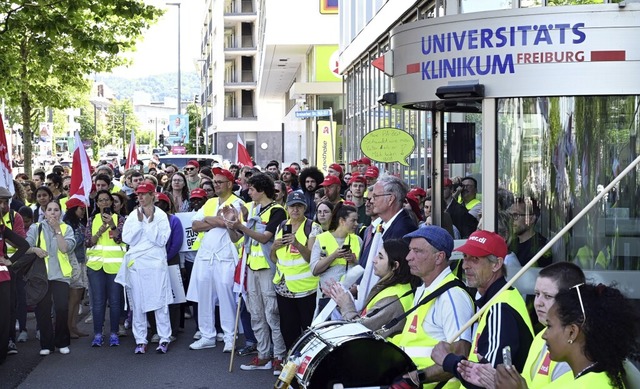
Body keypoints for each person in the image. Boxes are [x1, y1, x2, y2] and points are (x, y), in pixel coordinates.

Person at [457, 262, 586, 389]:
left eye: (547, 296)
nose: (538, 302)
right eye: (536, 294)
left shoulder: (572, 350)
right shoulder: (540, 336)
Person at [432, 230, 534, 389]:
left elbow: (488, 380)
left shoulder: (500, 308)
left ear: (497, 264)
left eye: (475, 259)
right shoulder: (493, 300)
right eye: (465, 257)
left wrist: (447, 360)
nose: (465, 265)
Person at [496, 283, 640, 389]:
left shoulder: (591, 385)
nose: (544, 335)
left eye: (549, 326)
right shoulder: (594, 376)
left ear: (572, 332)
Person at [390, 226, 474, 388]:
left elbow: (460, 357)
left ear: (439, 257)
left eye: (417, 251)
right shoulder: (425, 289)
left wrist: (416, 377)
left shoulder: (452, 297)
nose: (408, 257)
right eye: (409, 250)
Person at [225, 173, 287, 375]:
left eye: (251, 189)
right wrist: (230, 225)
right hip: (251, 267)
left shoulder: (278, 211)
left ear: (261, 190)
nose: (248, 192)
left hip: (268, 268)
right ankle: (263, 355)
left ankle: (279, 356)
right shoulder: (253, 209)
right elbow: (238, 239)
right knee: (256, 313)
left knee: (272, 313)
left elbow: (264, 237)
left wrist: (241, 225)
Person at [188, 168, 245, 353]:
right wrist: (214, 219)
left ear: (229, 183)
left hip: (225, 256)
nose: (216, 184)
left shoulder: (237, 202)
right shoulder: (210, 202)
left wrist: (210, 220)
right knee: (204, 296)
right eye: (214, 182)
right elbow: (195, 225)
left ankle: (230, 337)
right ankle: (207, 335)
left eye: (219, 182)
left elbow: (228, 223)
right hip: (206, 255)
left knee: (226, 296)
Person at [115, 183, 172, 354]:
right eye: (137, 194)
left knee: (160, 303)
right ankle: (140, 339)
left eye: (143, 194)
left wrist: (149, 222)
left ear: (152, 195)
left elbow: (161, 240)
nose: (139, 197)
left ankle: (164, 338)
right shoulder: (134, 215)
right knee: (138, 304)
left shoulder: (161, 216)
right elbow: (127, 239)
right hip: (137, 265)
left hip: (155, 264)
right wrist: (141, 223)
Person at [324, 239, 419, 341]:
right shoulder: (394, 288)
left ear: (395, 265)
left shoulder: (393, 299)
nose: (374, 260)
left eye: (380, 257)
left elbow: (360, 331)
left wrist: (346, 305)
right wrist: (339, 298)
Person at [356, 175, 418, 312]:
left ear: (390, 199)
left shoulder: (403, 228)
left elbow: (399, 271)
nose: (371, 201)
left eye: (375, 196)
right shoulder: (384, 224)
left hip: (391, 302)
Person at [270, 192, 321, 351]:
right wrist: (273, 248)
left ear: (305, 208)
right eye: (292, 206)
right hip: (283, 287)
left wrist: (297, 244)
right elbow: (274, 259)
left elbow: (312, 260)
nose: (295, 210)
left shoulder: (313, 227)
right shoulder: (281, 226)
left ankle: (306, 364)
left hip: (306, 289)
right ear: (287, 207)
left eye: (299, 206)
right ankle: (291, 362)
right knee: (288, 330)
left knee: (308, 330)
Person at [26, 200, 76, 356]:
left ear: (60, 213)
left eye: (56, 210)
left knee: (62, 308)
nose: (53, 213)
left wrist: (57, 229)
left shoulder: (66, 228)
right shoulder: (36, 227)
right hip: (41, 277)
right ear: (44, 212)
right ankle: (46, 344)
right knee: (43, 310)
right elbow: (24, 247)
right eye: (49, 210)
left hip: (61, 276)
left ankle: (62, 342)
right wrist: (34, 249)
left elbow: (65, 248)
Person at [85, 190, 125, 347]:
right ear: (97, 203)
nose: (104, 203)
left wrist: (112, 225)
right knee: (98, 301)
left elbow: (120, 239)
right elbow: (88, 242)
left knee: (115, 301)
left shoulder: (120, 219)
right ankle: (98, 334)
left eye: (107, 200)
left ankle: (114, 332)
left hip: (114, 266)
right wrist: (101, 230)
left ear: (111, 202)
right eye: (100, 200)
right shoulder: (92, 220)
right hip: (95, 266)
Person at [310, 203, 361, 313]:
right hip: (327, 298)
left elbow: (364, 268)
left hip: (350, 298)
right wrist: (333, 256)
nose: (356, 224)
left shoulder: (357, 240)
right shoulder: (321, 239)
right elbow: (314, 270)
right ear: (342, 221)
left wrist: (354, 260)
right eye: (353, 220)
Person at [0, 196, 30, 363]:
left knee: (4, 316)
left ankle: (3, 351)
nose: (2, 206)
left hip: (3, 277)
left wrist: (9, 260)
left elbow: (24, 245)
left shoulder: (3, 229)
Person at [150, 193, 183, 342]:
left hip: (170, 262)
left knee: (173, 298)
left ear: (167, 205)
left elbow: (176, 243)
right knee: (153, 297)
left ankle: (173, 331)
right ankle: (156, 330)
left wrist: (163, 259)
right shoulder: (147, 220)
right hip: (151, 264)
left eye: (161, 203)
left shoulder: (174, 220)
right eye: (155, 203)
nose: (158, 206)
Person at [62, 198, 89, 340]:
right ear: (73, 210)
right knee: (72, 297)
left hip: (81, 261)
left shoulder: (78, 224)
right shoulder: (67, 225)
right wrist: (84, 237)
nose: (83, 211)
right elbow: (70, 245)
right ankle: (68, 327)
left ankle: (73, 326)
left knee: (78, 297)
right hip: (73, 262)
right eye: (81, 209)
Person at [508, 197, 552, 267]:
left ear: (531, 219)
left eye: (516, 215)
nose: (511, 220)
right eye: (510, 215)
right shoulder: (511, 243)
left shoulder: (541, 248)